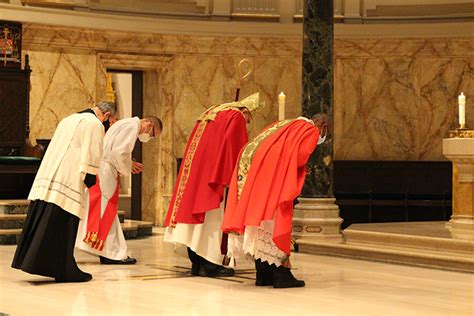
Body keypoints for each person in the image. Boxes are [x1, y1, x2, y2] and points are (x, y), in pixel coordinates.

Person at [12, 101, 117, 282]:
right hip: (69, 178)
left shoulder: (68, 119)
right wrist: (90, 177)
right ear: (106, 116)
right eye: (111, 121)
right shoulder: (94, 124)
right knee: (62, 225)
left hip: (50, 175)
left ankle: (31, 261)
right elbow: (92, 152)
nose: (109, 126)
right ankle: (65, 269)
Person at [221, 114, 329, 288]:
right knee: (275, 219)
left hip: (259, 172)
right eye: (326, 132)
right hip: (274, 176)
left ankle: (263, 274)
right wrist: (302, 170)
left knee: (262, 221)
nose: (323, 136)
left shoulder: (287, 124)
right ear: (323, 125)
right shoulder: (309, 130)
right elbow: (301, 156)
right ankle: (281, 275)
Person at [164, 93, 264, 277]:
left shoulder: (213, 111)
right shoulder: (236, 116)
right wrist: (236, 176)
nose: (247, 122)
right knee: (212, 218)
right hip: (215, 175)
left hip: (197, 171)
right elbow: (234, 147)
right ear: (245, 110)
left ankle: (197, 262)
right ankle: (210, 264)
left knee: (196, 220)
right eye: (249, 118)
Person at [76, 116, 162, 264]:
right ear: (149, 124)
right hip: (107, 170)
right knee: (106, 210)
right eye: (153, 134)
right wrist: (129, 166)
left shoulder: (126, 123)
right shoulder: (132, 127)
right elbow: (119, 152)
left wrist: (128, 162)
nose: (150, 137)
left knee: (107, 210)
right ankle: (109, 252)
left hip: (104, 167)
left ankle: (110, 251)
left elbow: (116, 150)